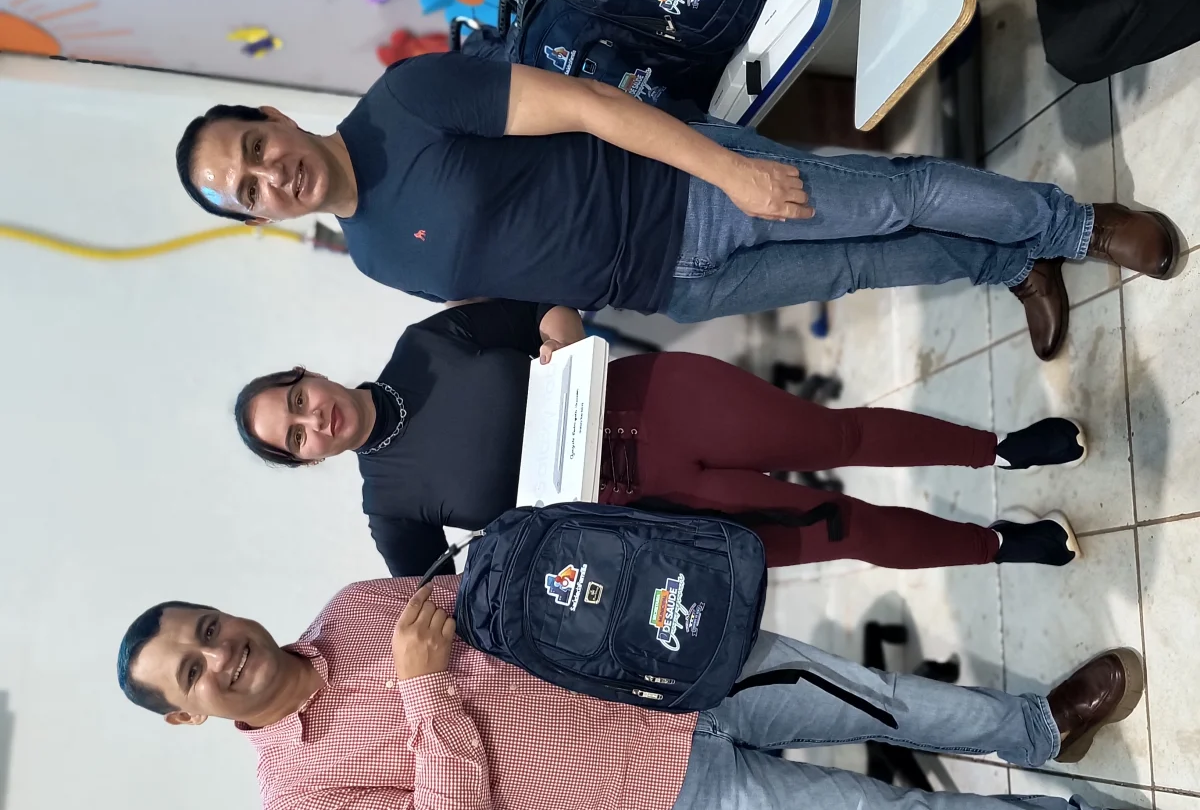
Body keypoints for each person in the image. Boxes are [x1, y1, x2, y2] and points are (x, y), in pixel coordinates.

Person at [115, 577, 1200, 810]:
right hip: (664, 808)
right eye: (192, 672)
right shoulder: (294, 804)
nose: (220, 654)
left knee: (877, 695)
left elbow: (516, 607)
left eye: (204, 629)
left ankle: (1037, 726)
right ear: (185, 715)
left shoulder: (354, 606)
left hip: (676, 674)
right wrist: (424, 694)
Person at [174, 55, 1181, 361]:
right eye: (247, 192)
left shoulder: (406, 103)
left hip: (688, 190)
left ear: (273, 117)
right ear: (258, 219)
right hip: (670, 288)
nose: (270, 177)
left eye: (254, 150)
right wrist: (557, 328)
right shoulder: (371, 256)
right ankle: (1009, 263)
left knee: (889, 200)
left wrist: (729, 170)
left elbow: (589, 104)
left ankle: (1076, 226)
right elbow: (513, 282)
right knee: (861, 264)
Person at [234, 299, 1089, 578]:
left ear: (307, 375)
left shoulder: (424, 346)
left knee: (838, 434)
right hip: (651, 514)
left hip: (662, 402)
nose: (315, 420)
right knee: (838, 530)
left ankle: (999, 448)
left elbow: (546, 307)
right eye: (296, 438)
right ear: (307, 460)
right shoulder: (390, 508)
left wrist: (561, 340)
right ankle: (997, 544)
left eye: (297, 401)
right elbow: (444, 601)